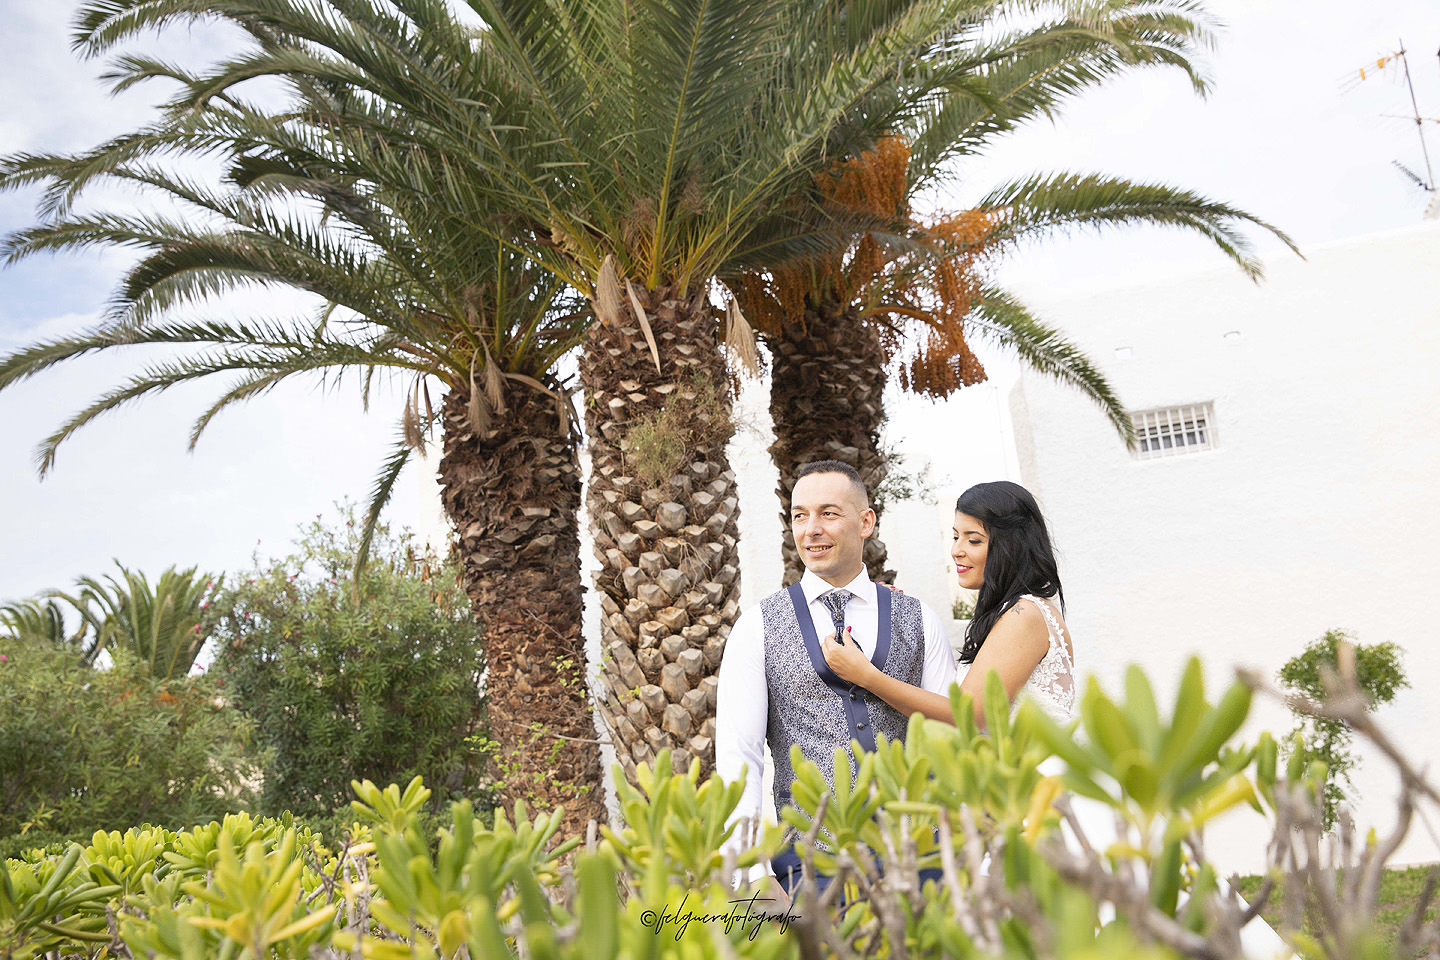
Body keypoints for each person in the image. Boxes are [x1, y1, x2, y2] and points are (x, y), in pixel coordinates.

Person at [714, 460, 959, 897]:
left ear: (866, 522)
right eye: (799, 515)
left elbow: (946, 737)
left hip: (922, 856)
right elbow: (739, 754)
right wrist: (750, 872)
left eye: (828, 513)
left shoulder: (919, 619)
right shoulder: (757, 627)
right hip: (810, 865)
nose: (811, 529)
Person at [822, 480, 1074, 726]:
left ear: (1012, 546)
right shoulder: (1009, 614)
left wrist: (866, 676)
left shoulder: (1024, 614)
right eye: (955, 537)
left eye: (973, 540)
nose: (957, 550)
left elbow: (969, 713)